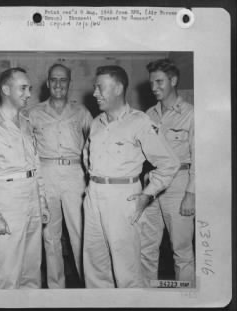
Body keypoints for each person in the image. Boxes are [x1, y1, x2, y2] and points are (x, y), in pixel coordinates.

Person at [82, 65, 180, 288]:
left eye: (100, 87)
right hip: (93, 196)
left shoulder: (140, 122)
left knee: (127, 271)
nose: (95, 93)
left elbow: (169, 163)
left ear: (117, 88)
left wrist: (147, 195)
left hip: (122, 199)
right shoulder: (96, 123)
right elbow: (86, 158)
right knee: (95, 268)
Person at [0, 67, 50, 289]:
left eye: (30, 89)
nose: (28, 94)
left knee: (31, 272)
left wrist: (41, 201)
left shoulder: (26, 123)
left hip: (31, 199)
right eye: (23, 88)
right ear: (6, 89)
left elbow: (35, 167)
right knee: (6, 275)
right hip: (7, 202)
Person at [25, 64, 92, 288]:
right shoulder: (33, 114)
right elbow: (27, 149)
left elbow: (94, 145)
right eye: (54, 79)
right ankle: (56, 289)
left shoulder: (81, 112)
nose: (58, 84)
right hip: (46, 173)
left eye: (63, 80)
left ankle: (88, 286)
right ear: (47, 83)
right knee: (50, 236)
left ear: (69, 83)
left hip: (75, 174)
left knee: (80, 232)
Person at [139, 58, 195, 286]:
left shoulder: (191, 114)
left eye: (159, 82)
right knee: (146, 248)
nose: (154, 88)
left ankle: (187, 300)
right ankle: (146, 300)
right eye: (152, 83)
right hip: (152, 185)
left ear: (173, 80)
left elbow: (200, 156)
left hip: (179, 185)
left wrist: (191, 193)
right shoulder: (147, 115)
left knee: (182, 251)